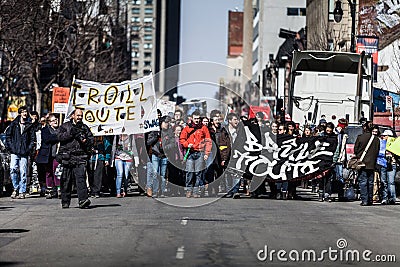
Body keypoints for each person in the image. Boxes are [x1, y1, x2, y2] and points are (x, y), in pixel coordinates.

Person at [56, 108, 94, 208]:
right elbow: (59, 137)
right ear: (72, 116)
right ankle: (65, 201)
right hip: (67, 157)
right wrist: (71, 133)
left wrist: (86, 141)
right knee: (66, 180)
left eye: (81, 115)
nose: (80, 117)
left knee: (81, 179)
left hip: (80, 157)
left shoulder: (85, 127)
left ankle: (83, 200)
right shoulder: (65, 126)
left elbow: (91, 139)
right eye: (78, 115)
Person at [5, 106, 36, 199]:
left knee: (23, 171)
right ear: (20, 113)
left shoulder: (29, 125)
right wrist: (11, 147)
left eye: (26, 112)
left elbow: (32, 139)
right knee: (13, 169)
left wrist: (28, 149)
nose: (25, 114)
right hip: (15, 151)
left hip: (24, 152)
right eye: (23, 112)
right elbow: (8, 136)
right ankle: (16, 188)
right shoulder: (14, 124)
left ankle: (22, 190)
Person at [180, 110, 211, 198]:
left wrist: (206, 153)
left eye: (198, 118)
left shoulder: (204, 128)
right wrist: (186, 144)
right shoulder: (187, 128)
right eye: (195, 118)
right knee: (189, 172)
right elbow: (182, 139)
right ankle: (189, 190)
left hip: (200, 153)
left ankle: (196, 191)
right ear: (192, 118)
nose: (196, 120)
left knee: (198, 173)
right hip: (190, 153)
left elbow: (208, 141)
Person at [354, 122, 380, 206]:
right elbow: (377, 151)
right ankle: (370, 200)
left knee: (363, 182)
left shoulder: (360, 137)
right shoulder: (376, 139)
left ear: (365, 128)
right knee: (371, 182)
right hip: (372, 164)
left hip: (362, 163)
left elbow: (356, 150)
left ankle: (364, 200)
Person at [35, 113, 60, 199]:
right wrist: (58, 137)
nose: (56, 121)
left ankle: (58, 188)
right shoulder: (45, 130)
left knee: (57, 172)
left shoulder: (60, 129)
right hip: (48, 155)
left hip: (57, 155)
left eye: (56, 120)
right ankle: (50, 189)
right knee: (49, 172)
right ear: (49, 122)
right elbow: (47, 139)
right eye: (53, 120)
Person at [147, 116, 171, 197]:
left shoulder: (169, 132)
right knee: (155, 173)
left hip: (164, 155)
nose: (166, 124)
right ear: (161, 123)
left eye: (168, 122)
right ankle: (155, 191)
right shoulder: (154, 131)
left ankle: (163, 191)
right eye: (165, 122)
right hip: (155, 154)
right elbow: (149, 142)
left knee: (163, 174)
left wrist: (166, 147)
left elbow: (173, 143)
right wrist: (156, 137)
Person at [378, 130, 397, 205]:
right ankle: (384, 198)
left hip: (392, 164)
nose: (383, 137)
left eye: (385, 136)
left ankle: (392, 198)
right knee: (383, 182)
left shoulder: (395, 144)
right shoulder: (381, 143)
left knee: (391, 182)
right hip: (383, 163)